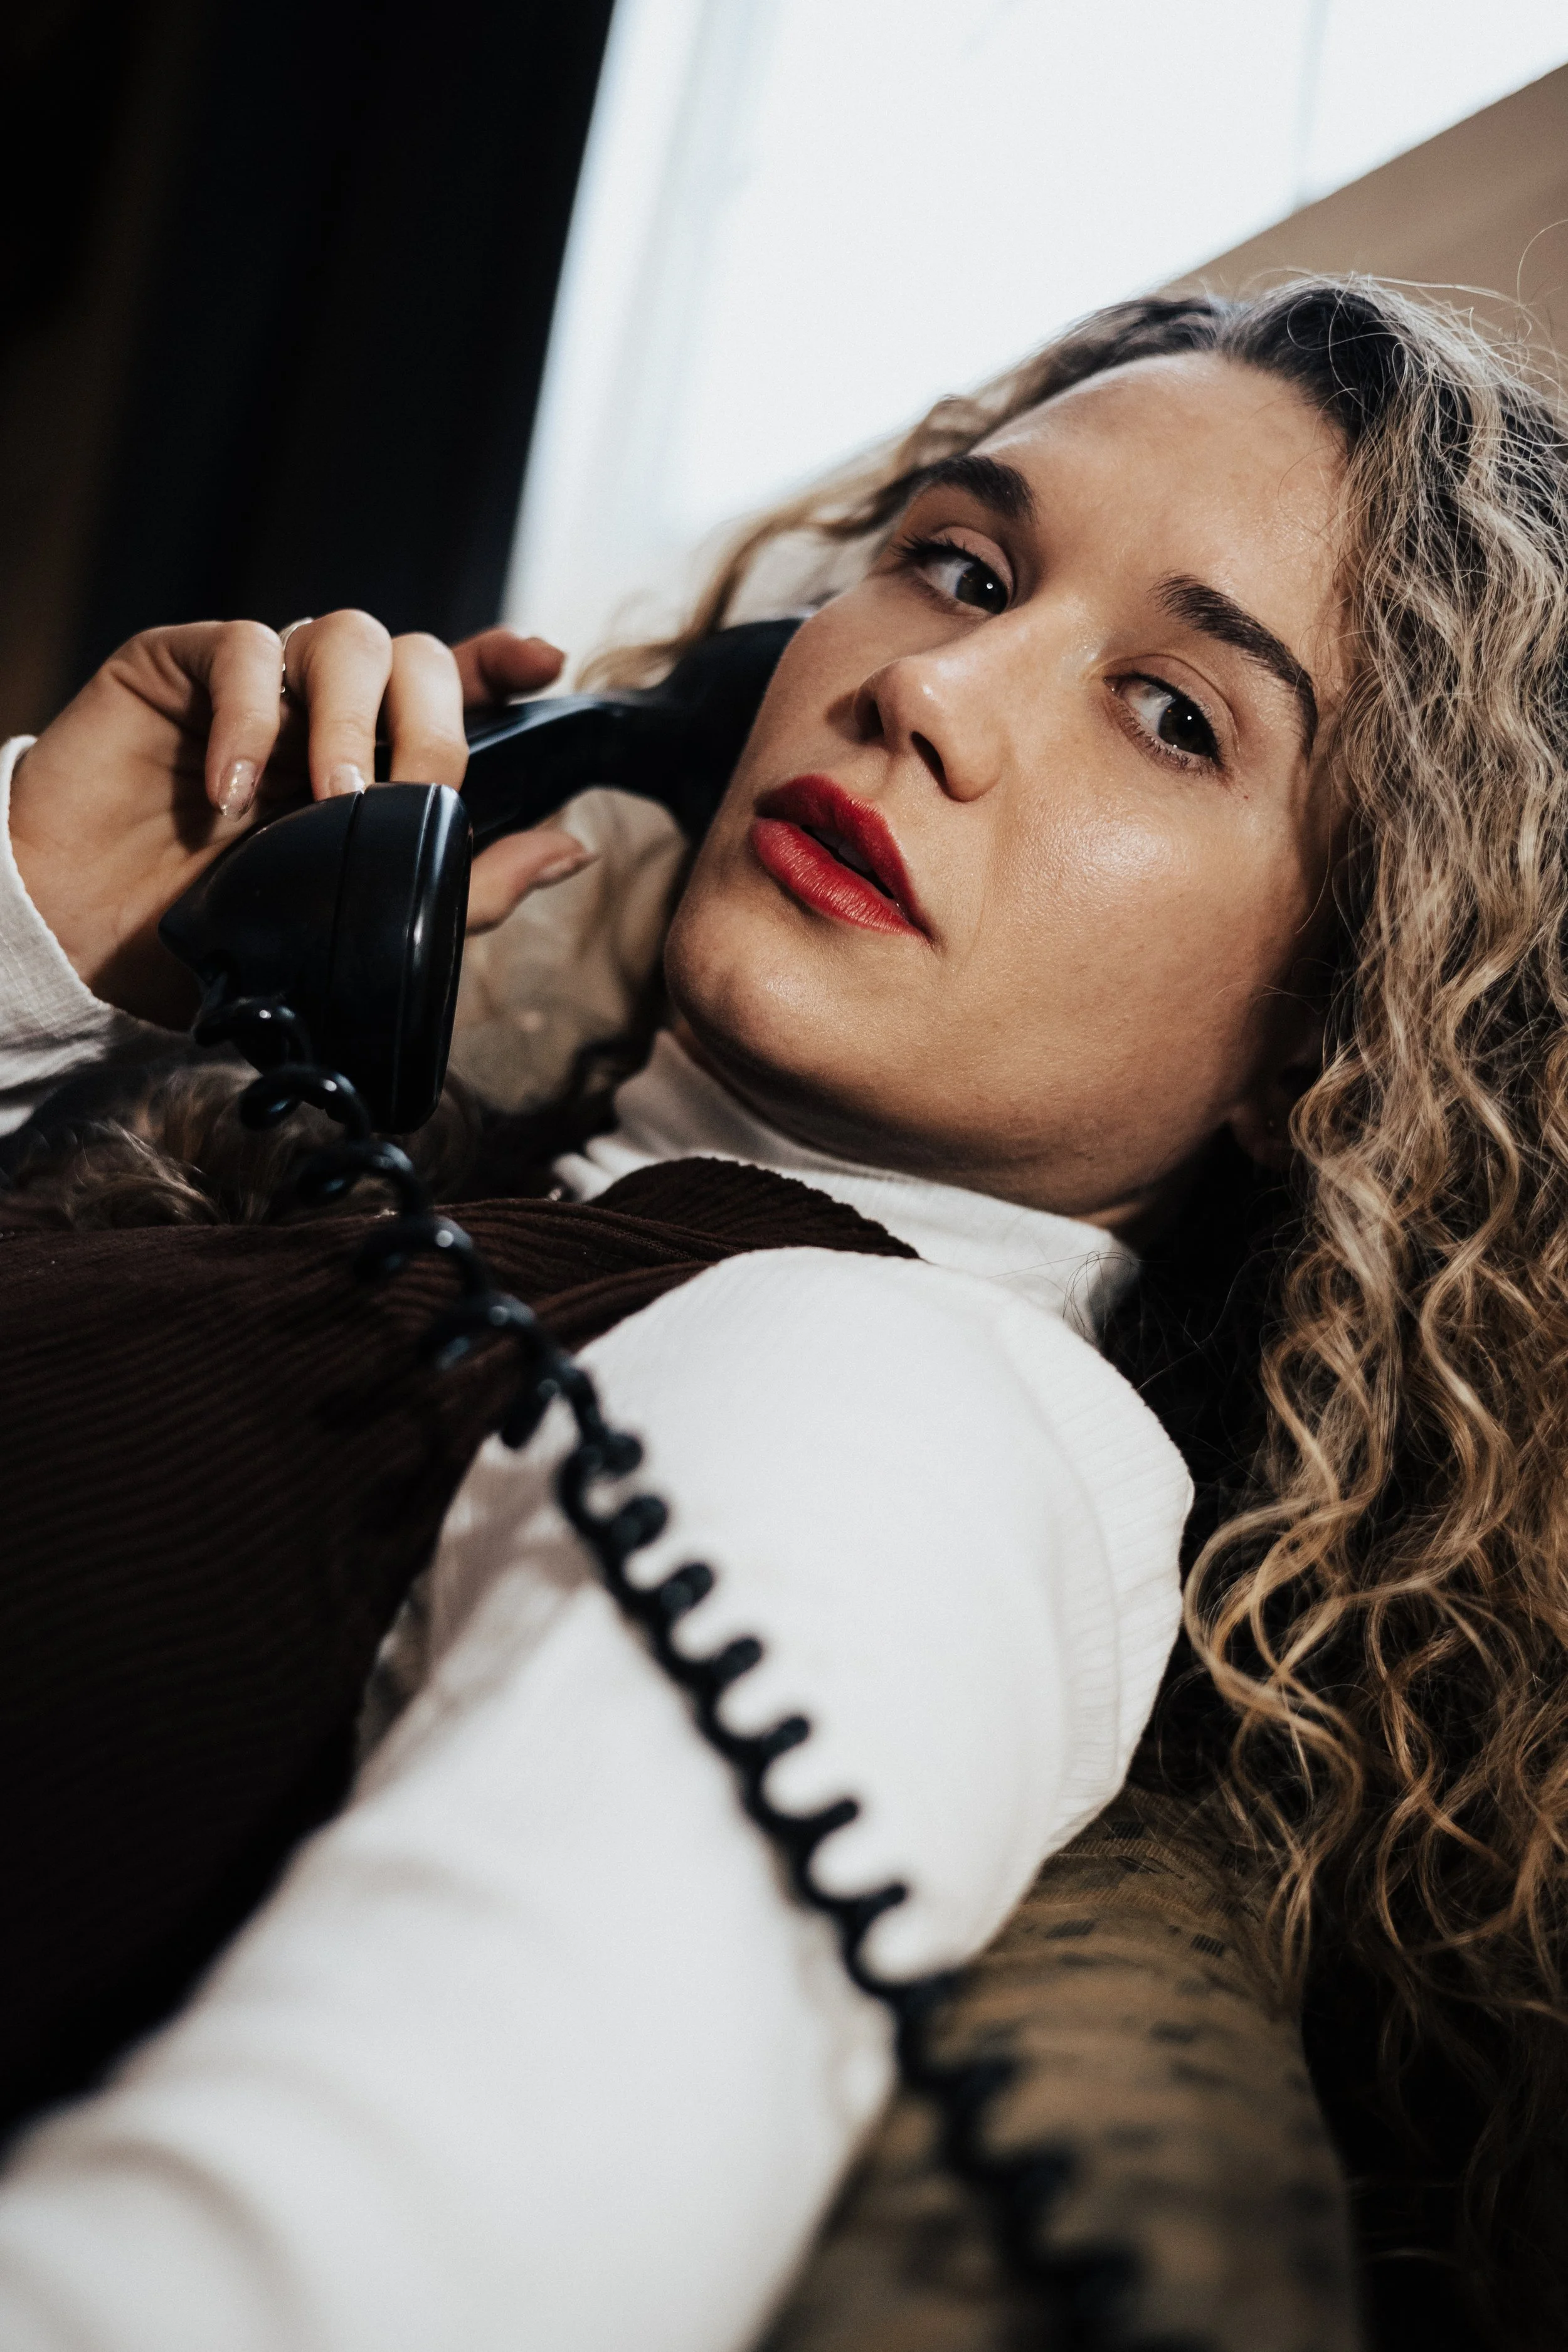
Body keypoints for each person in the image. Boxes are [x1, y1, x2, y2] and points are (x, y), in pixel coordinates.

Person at [0, 272, 1560, 2350]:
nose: (936, 690)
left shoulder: (900, 1394)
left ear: (1333, 1036)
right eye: (953, 561)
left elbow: (351, 2260)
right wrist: (33, 914)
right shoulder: (455, 1207)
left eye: (1175, 711)